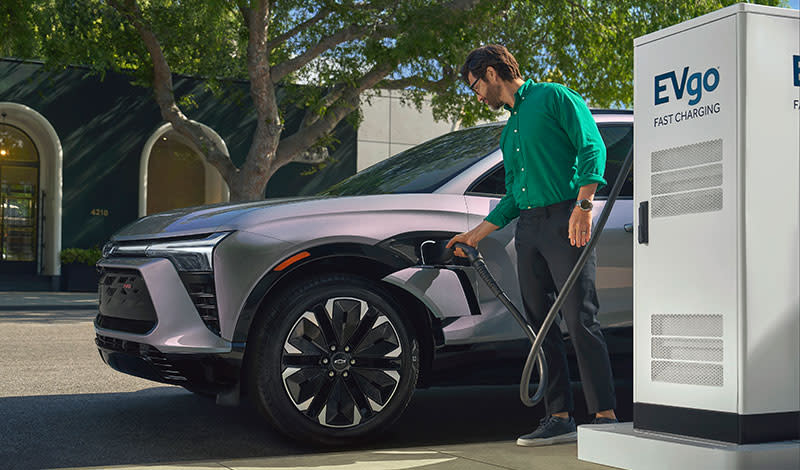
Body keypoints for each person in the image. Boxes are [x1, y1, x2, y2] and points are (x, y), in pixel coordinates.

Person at [447, 44, 618, 447]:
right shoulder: (510, 131)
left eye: (475, 86)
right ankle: (558, 416)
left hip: (565, 219)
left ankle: (606, 416)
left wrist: (584, 205)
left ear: (490, 73)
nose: (477, 95)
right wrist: (474, 235)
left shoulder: (554, 97)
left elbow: (592, 146)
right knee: (540, 325)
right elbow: (512, 196)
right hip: (529, 227)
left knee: (580, 318)